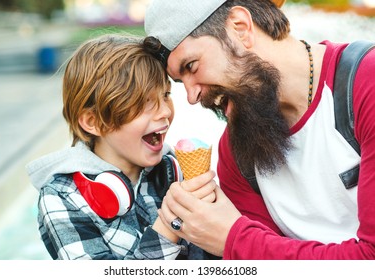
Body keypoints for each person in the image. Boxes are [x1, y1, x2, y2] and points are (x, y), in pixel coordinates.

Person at [143, 0, 375, 259]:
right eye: (180, 81)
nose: (192, 96)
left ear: (240, 28)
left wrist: (232, 239)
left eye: (192, 66)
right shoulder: (236, 149)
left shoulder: (367, 84)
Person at [26, 34, 218, 260]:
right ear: (93, 121)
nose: (165, 111)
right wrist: (171, 222)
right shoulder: (62, 197)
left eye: (165, 95)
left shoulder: (173, 170)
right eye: (143, 102)